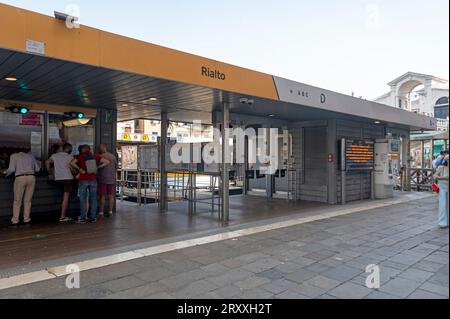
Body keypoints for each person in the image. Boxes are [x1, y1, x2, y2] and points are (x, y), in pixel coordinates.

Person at [70, 145, 110, 224]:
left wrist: (79, 169)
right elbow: (107, 162)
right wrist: (98, 167)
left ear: (83, 150)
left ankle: (83, 217)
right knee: (93, 199)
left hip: (83, 179)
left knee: (83, 199)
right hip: (93, 180)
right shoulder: (95, 156)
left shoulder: (80, 156)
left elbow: (72, 163)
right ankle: (93, 217)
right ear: (89, 149)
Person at [5, 150, 41, 228]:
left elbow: (11, 169)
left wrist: (5, 173)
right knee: (28, 201)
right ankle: (26, 220)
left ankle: (15, 221)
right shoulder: (31, 156)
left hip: (20, 177)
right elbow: (38, 169)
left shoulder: (14, 155)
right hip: (31, 177)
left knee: (17, 201)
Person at [46, 143, 74, 222]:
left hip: (58, 179)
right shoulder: (70, 157)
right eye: (71, 148)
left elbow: (47, 162)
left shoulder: (54, 155)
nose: (71, 150)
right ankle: (62, 216)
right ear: (68, 149)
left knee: (59, 195)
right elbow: (71, 167)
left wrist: (49, 172)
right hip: (68, 179)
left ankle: (60, 214)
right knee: (65, 198)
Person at [98, 144, 118, 217]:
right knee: (110, 195)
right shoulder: (113, 156)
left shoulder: (100, 157)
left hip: (102, 179)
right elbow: (116, 167)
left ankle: (101, 212)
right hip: (111, 179)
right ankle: (110, 211)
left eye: (99, 149)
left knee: (102, 196)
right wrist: (113, 174)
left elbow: (97, 167)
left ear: (101, 149)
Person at [434, 155, 449, 229]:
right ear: (446, 160)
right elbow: (435, 176)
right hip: (442, 188)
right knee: (443, 205)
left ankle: (448, 221)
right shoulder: (441, 168)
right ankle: (442, 222)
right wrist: (444, 178)